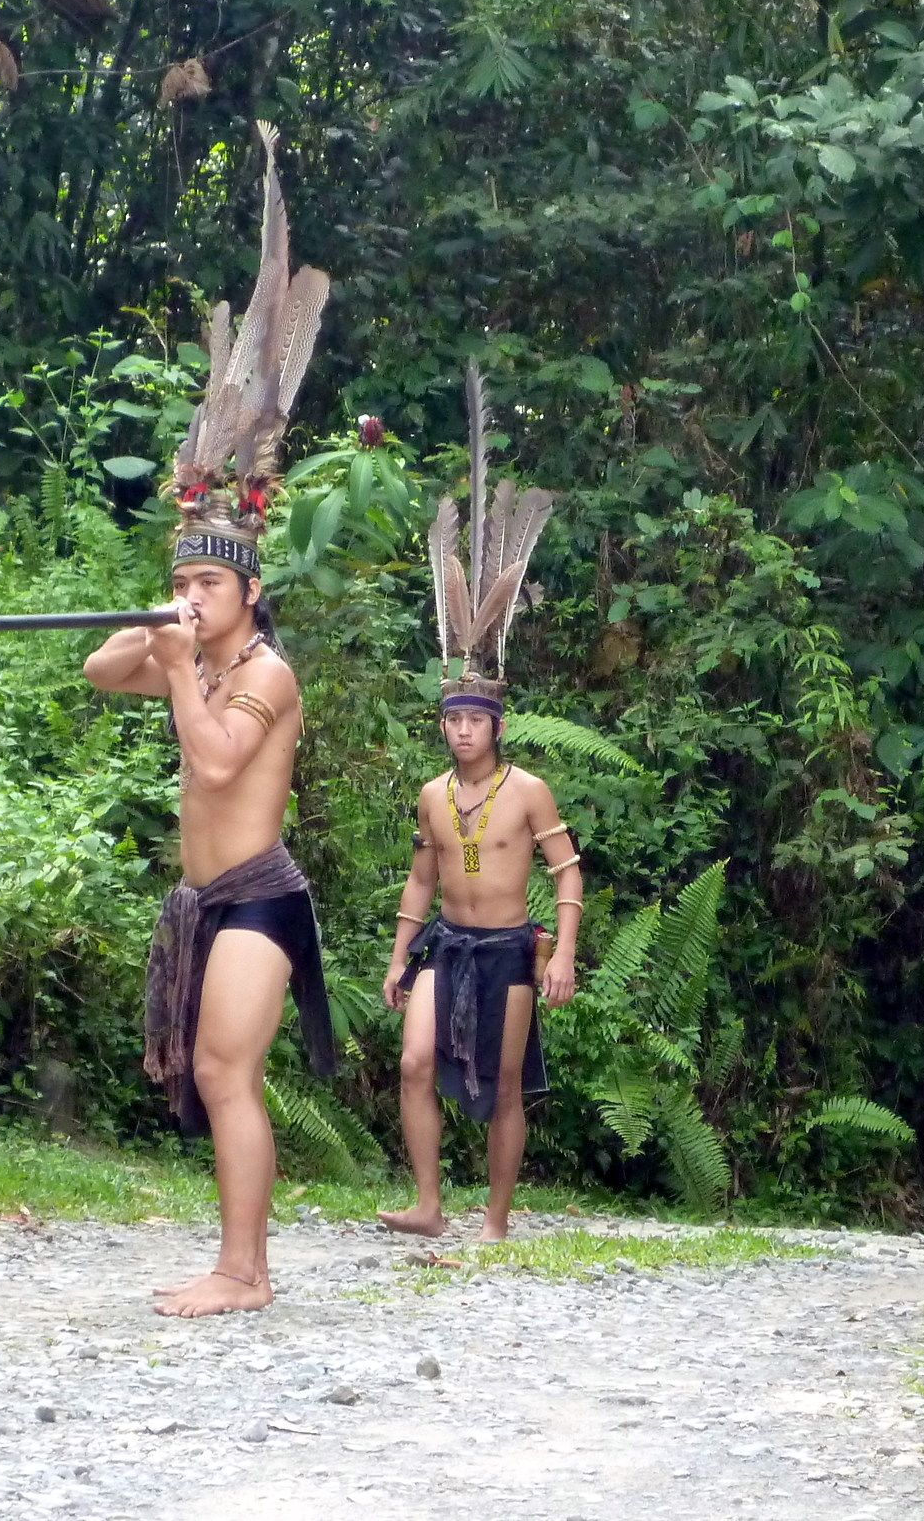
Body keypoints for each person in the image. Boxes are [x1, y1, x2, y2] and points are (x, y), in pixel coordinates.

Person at [83, 121, 334, 1318]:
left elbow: (219, 748)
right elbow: (98, 669)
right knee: (214, 1072)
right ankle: (237, 1260)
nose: (191, 599)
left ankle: (246, 1272)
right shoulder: (188, 642)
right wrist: (155, 631)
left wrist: (186, 666)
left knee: (230, 1068)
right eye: (182, 581)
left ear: (249, 595)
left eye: (207, 586)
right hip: (202, 899)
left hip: (262, 898)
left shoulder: (266, 672)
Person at [377, 365, 580, 1242]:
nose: (460, 732)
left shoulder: (527, 789)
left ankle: (495, 1219)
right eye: (451, 718)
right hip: (446, 947)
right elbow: (422, 880)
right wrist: (398, 954)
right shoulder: (431, 795)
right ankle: (429, 1202)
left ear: (494, 723)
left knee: (499, 1085)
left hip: (508, 949)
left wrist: (562, 952)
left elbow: (568, 872)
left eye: (473, 719)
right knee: (414, 1058)